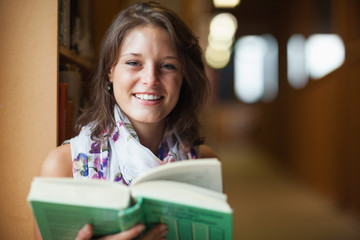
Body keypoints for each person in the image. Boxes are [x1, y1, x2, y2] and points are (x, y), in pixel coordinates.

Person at [35, 1, 217, 239]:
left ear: (184, 76)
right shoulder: (61, 168)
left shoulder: (205, 165)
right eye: (133, 63)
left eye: (167, 66)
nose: (150, 79)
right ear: (110, 70)